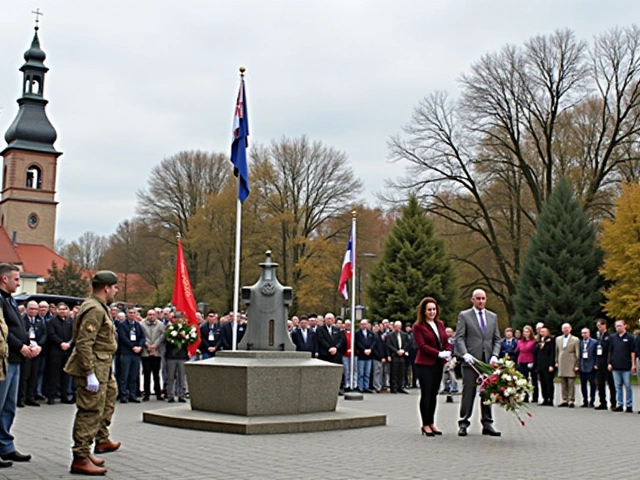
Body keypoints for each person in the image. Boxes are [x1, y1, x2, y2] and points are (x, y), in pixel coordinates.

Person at [64, 271, 121, 475]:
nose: (116, 291)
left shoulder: (99, 307)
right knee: (90, 409)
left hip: (102, 365)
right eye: (115, 287)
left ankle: (92, 446)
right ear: (106, 288)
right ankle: (80, 456)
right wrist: (89, 372)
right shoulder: (94, 309)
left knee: (104, 403)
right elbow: (84, 343)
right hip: (94, 365)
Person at [454, 288, 501, 437]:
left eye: (483, 298)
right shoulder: (465, 315)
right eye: (478, 299)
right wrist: (464, 353)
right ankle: (463, 422)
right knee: (469, 392)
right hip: (471, 361)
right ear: (473, 300)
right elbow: (459, 337)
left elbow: (496, 339)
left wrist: (494, 355)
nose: (481, 301)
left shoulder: (492, 317)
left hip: (487, 362)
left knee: (487, 392)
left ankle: (487, 423)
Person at [0, 263, 34, 465]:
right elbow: (4, 332)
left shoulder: (10, 300)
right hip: (4, 360)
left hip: (15, 359)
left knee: (8, 407)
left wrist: (29, 344)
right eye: (15, 279)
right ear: (4, 279)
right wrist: (19, 345)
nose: (18, 283)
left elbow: (18, 327)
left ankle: (5, 446)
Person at [413, 297, 451, 436]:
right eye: (429, 309)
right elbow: (422, 346)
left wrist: (447, 352)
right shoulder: (418, 326)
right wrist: (438, 354)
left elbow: (445, 341)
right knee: (426, 393)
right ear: (423, 311)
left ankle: (432, 422)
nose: (432, 312)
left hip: (437, 364)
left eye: (434, 309)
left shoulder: (440, 324)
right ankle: (425, 424)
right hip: (424, 364)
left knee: (434, 394)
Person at [18, 300, 47, 407]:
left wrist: (38, 346)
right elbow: (20, 333)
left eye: (35, 309)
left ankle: (31, 397)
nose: (33, 311)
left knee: (34, 375)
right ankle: (21, 398)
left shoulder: (40, 320)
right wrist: (29, 346)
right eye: (31, 309)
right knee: (24, 376)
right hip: (26, 350)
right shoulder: (22, 320)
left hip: (37, 351)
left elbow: (44, 334)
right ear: (26, 309)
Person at [45, 303, 73, 404]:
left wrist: (69, 344)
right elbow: (51, 334)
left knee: (66, 374)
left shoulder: (70, 321)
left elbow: (74, 334)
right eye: (60, 309)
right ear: (56, 310)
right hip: (55, 351)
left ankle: (64, 396)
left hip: (67, 351)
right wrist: (61, 343)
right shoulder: (51, 321)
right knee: (53, 374)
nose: (62, 311)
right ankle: (51, 396)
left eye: (65, 309)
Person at [116, 308, 145, 403]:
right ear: (127, 314)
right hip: (126, 352)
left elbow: (142, 336)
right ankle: (124, 395)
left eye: (134, 313)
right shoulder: (122, 325)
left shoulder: (137, 325)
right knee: (124, 375)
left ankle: (133, 395)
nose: (132, 314)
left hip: (136, 353)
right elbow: (123, 337)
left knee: (134, 375)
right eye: (130, 313)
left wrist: (140, 346)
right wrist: (133, 346)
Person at [608, 320, 635, 412]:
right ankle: (619, 404)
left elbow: (632, 352)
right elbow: (610, 351)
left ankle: (629, 405)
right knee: (617, 386)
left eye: (620, 326)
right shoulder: (612, 337)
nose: (618, 328)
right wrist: (609, 363)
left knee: (627, 385)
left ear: (625, 326)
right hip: (615, 366)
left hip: (626, 366)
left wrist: (633, 364)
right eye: (616, 326)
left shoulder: (630, 337)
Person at [316, 313, 345, 394]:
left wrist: (336, 348)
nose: (330, 320)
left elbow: (341, 340)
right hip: (325, 354)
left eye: (331, 319)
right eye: (328, 319)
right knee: (325, 372)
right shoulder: (320, 329)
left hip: (336, 354)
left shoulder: (337, 329)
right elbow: (321, 340)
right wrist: (329, 348)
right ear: (325, 320)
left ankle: (339, 388)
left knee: (337, 372)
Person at [140, 309, 165, 401]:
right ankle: (146, 394)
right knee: (146, 373)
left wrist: (155, 346)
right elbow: (142, 336)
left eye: (153, 315)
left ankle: (158, 393)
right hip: (146, 352)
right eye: (149, 314)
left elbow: (162, 336)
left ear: (156, 315)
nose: (151, 316)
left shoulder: (161, 324)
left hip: (156, 352)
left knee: (156, 374)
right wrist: (148, 346)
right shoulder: (141, 324)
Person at [555, 323, 580, 408]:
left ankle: (571, 400)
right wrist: (556, 361)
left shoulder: (575, 339)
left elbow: (577, 353)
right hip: (561, 363)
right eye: (564, 328)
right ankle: (564, 399)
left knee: (571, 382)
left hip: (571, 363)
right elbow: (557, 351)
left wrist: (577, 364)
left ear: (570, 329)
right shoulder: (558, 339)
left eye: (567, 328)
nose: (565, 330)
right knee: (563, 382)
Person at [594, 319, 616, 410]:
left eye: (600, 326)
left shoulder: (609, 336)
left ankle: (613, 403)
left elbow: (611, 350)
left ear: (604, 325)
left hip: (607, 362)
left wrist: (610, 362)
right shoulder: (599, 336)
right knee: (600, 384)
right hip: (600, 363)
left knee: (611, 384)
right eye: (597, 326)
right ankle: (602, 402)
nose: (599, 328)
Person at [514, 325, 537, 403]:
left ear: (530, 332)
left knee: (533, 379)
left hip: (530, 361)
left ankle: (535, 396)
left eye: (527, 332)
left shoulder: (533, 341)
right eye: (524, 332)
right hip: (521, 360)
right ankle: (525, 396)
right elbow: (517, 350)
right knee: (523, 380)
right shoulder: (520, 341)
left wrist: (533, 361)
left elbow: (534, 352)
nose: (525, 333)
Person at [386, 321, 410, 394]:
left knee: (401, 372)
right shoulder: (390, 335)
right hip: (394, 355)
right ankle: (393, 388)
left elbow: (407, 344)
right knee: (394, 372)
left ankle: (400, 387)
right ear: (394, 327)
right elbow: (388, 345)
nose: (398, 327)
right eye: (396, 326)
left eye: (399, 326)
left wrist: (403, 350)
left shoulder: (404, 335)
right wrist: (396, 351)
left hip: (402, 355)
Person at [535, 326, 555, 406]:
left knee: (548, 382)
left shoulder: (551, 340)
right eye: (541, 331)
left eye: (544, 331)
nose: (542, 333)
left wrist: (551, 365)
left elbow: (552, 353)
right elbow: (536, 352)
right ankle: (545, 398)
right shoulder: (539, 341)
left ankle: (550, 399)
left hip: (548, 365)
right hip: (540, 364)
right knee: (542, 382)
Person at [579, 327, 597, 408]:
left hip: (591, 365)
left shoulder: (594, 342)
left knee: (592, 384)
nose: (584, 334)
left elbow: (596, 354)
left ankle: (592, 400)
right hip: (582, 366)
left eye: (585, 333)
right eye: (582, 333)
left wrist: (596, 364)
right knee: (583, 384)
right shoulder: (580, 342)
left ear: (589, 333)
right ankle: (585, 400)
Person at [355, 319, 375, 393]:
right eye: (362, 324)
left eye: (365, 324)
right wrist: (364, 350)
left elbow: (373, 342)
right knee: (361, 373)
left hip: (369, 355)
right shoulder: (357, 333)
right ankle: (360, 387)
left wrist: (370, 349)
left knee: (367, 372)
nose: (364, 325)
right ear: (360, 325)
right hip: (361, 355)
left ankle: (366, 387)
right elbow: (357, 343)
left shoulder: (371, 333)